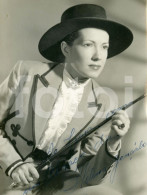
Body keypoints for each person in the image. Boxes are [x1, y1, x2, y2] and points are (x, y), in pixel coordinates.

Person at [0, 4, 133, 195]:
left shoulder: (104, 102)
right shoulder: (27, 73)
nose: (98, 56)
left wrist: (113, 141)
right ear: (66, 48)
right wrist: (13, 164)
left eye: (104, 47)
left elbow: (90, 177)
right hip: (7, 174)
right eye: (88, 45)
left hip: (55, 183)